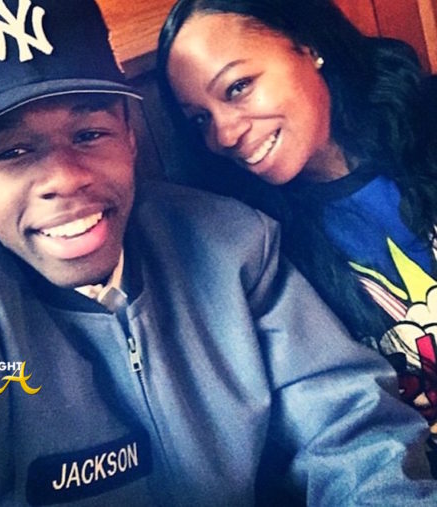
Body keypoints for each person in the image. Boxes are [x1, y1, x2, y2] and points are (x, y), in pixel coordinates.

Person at [0, 0, 437, 505]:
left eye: (89, 134)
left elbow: (348, 428)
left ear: (130, 136)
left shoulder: (233, 245)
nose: (65, 178)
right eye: (11, 152)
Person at [157, 0, 437, 470]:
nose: (223, 135)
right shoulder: (248, 248)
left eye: (238, 87)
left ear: (308, 44)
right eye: (200, 119)